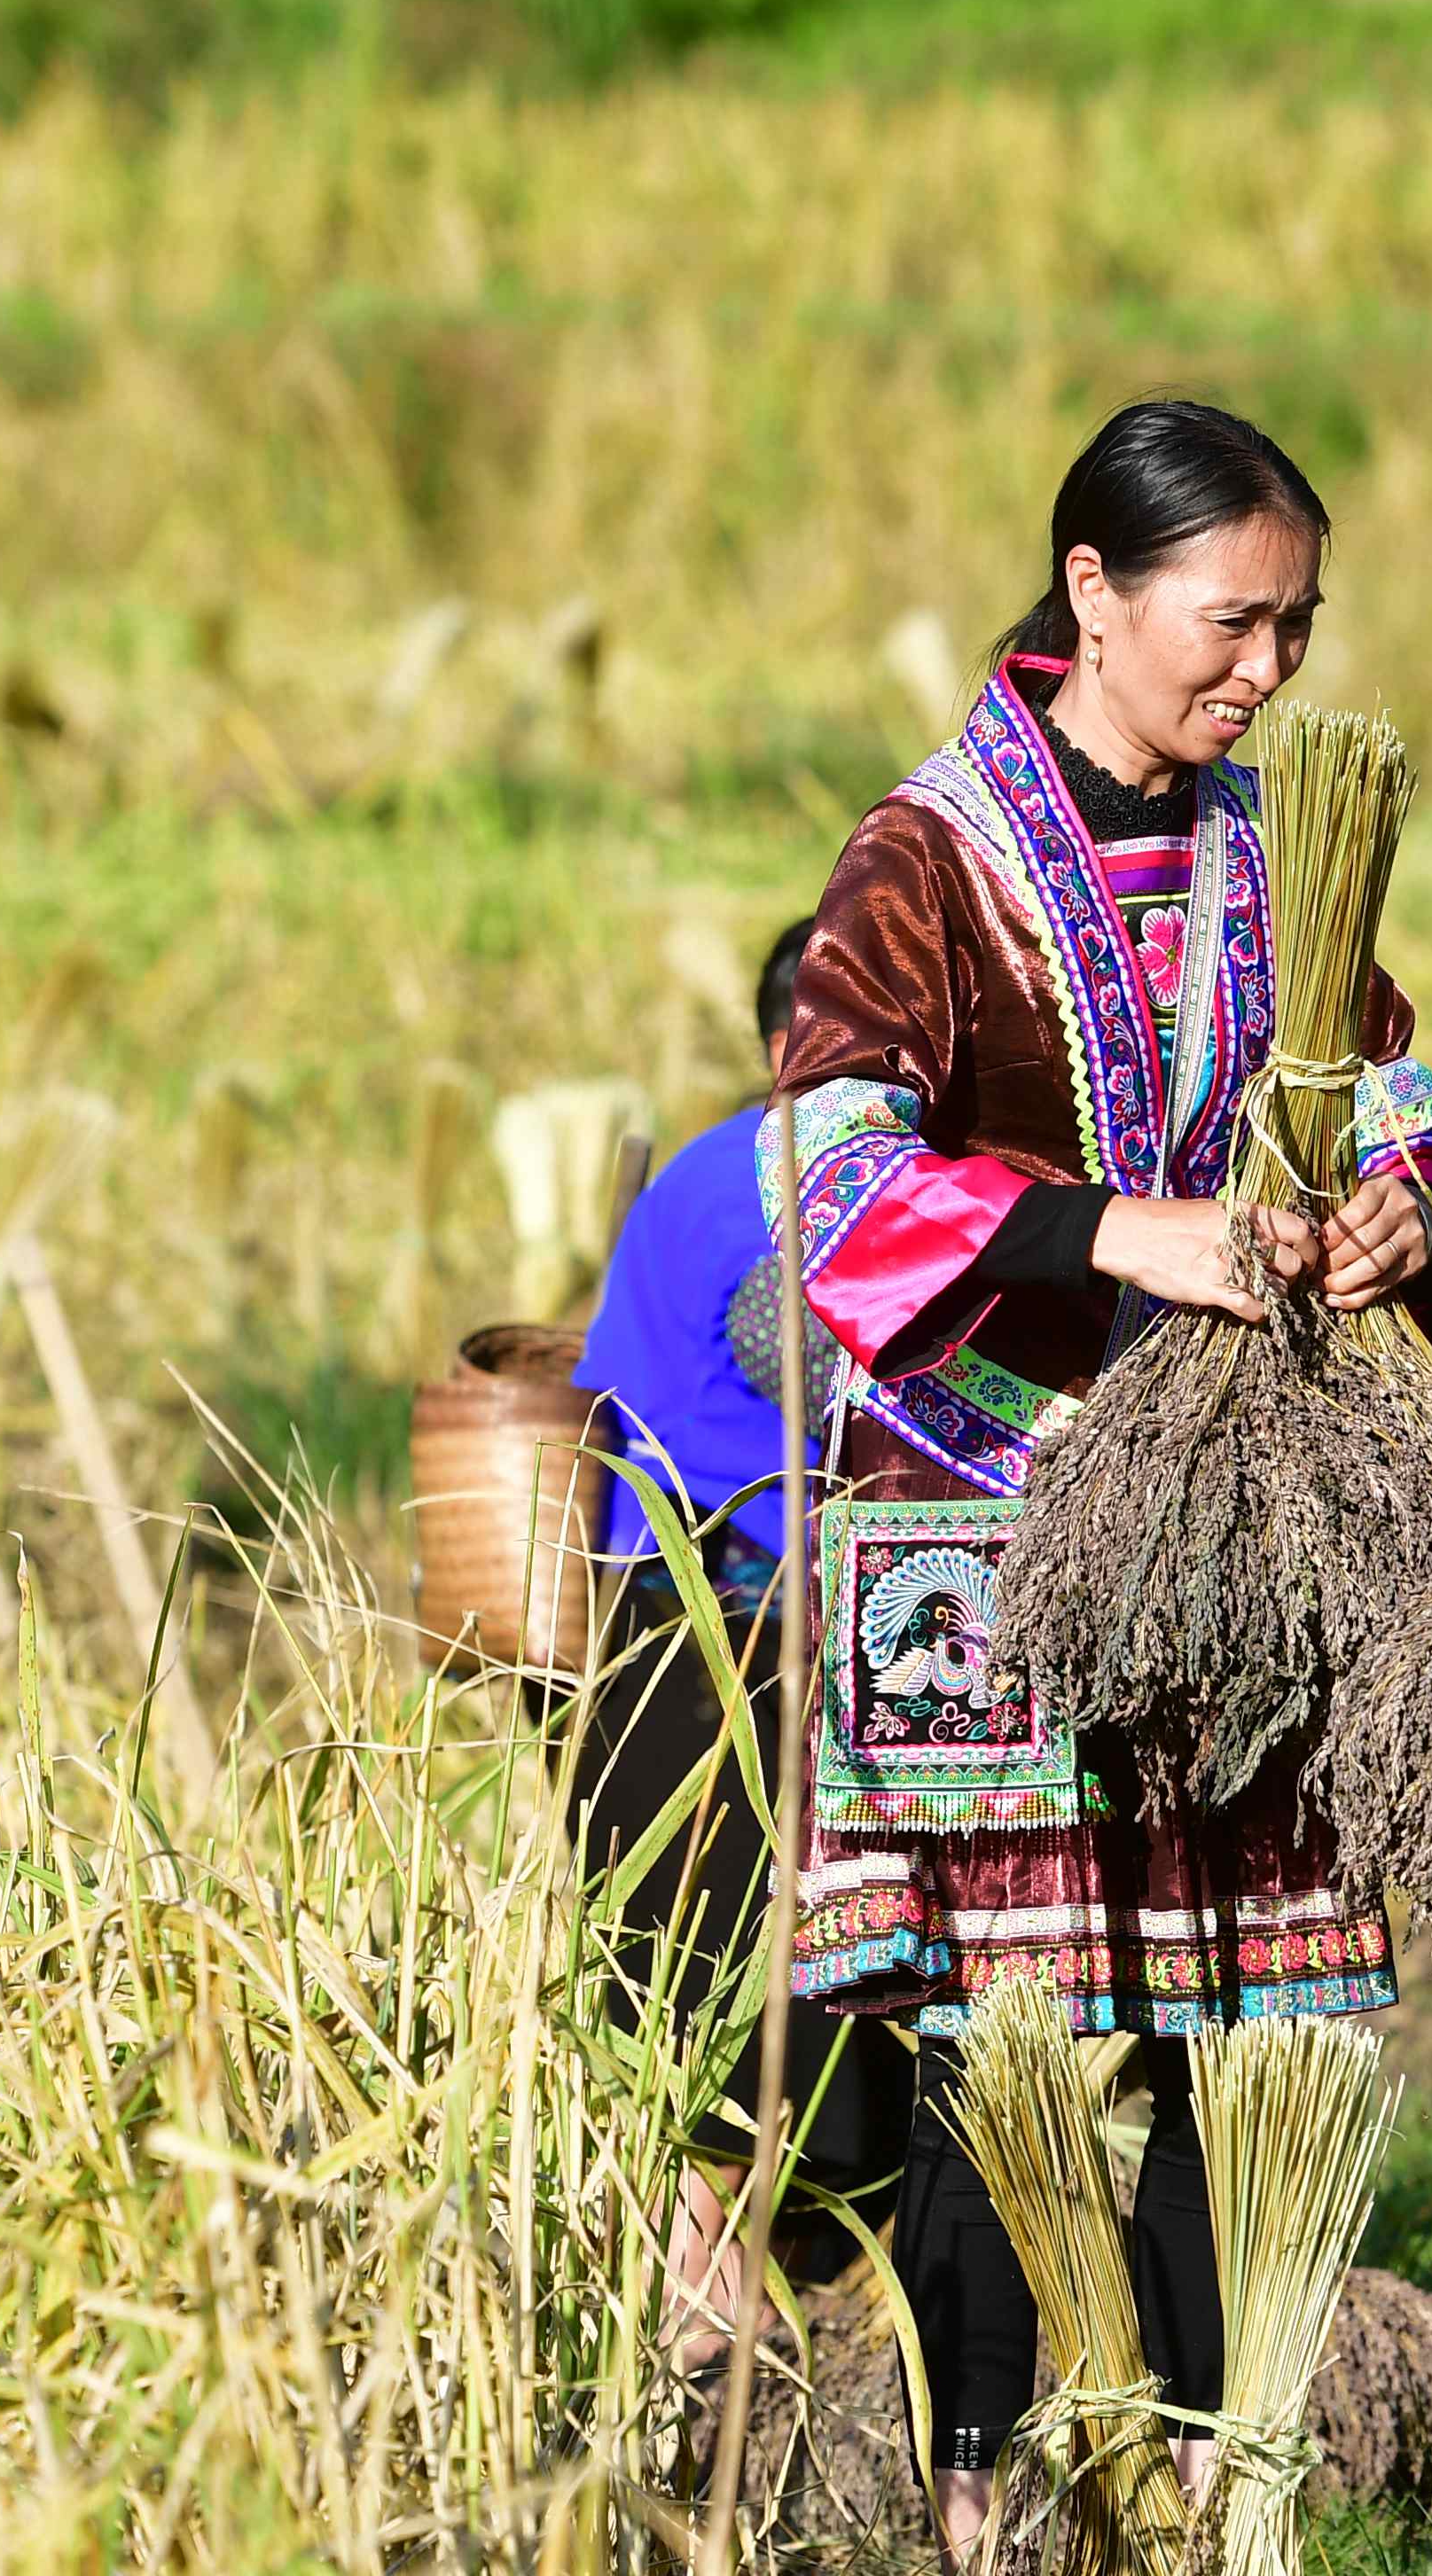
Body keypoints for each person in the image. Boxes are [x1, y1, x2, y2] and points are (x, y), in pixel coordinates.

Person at [767, 399, 1432, 2553]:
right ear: (1094, 588)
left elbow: (1406, 1094)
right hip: (979, 1514)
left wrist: (1399, 1208)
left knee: (1238, 2000)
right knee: (1011, 2016)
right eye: (1231, 620)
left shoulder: (1286, 845)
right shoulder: (927, 857)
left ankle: (1203, 2468)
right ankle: (986, 2477)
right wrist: (1111, 1228)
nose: (1266, 668)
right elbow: (829, 1173)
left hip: (1243, 1506)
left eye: (1298, 626)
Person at [569, 913, 910, 2369]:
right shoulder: (809, 1199)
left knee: (672, 1974)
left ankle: (688, 2293)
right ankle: (729, 2299)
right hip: (746, 1634)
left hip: (640, 1617)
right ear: (799, 1048)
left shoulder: (703, 1171)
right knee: (767, 1979)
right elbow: (825, 1398)